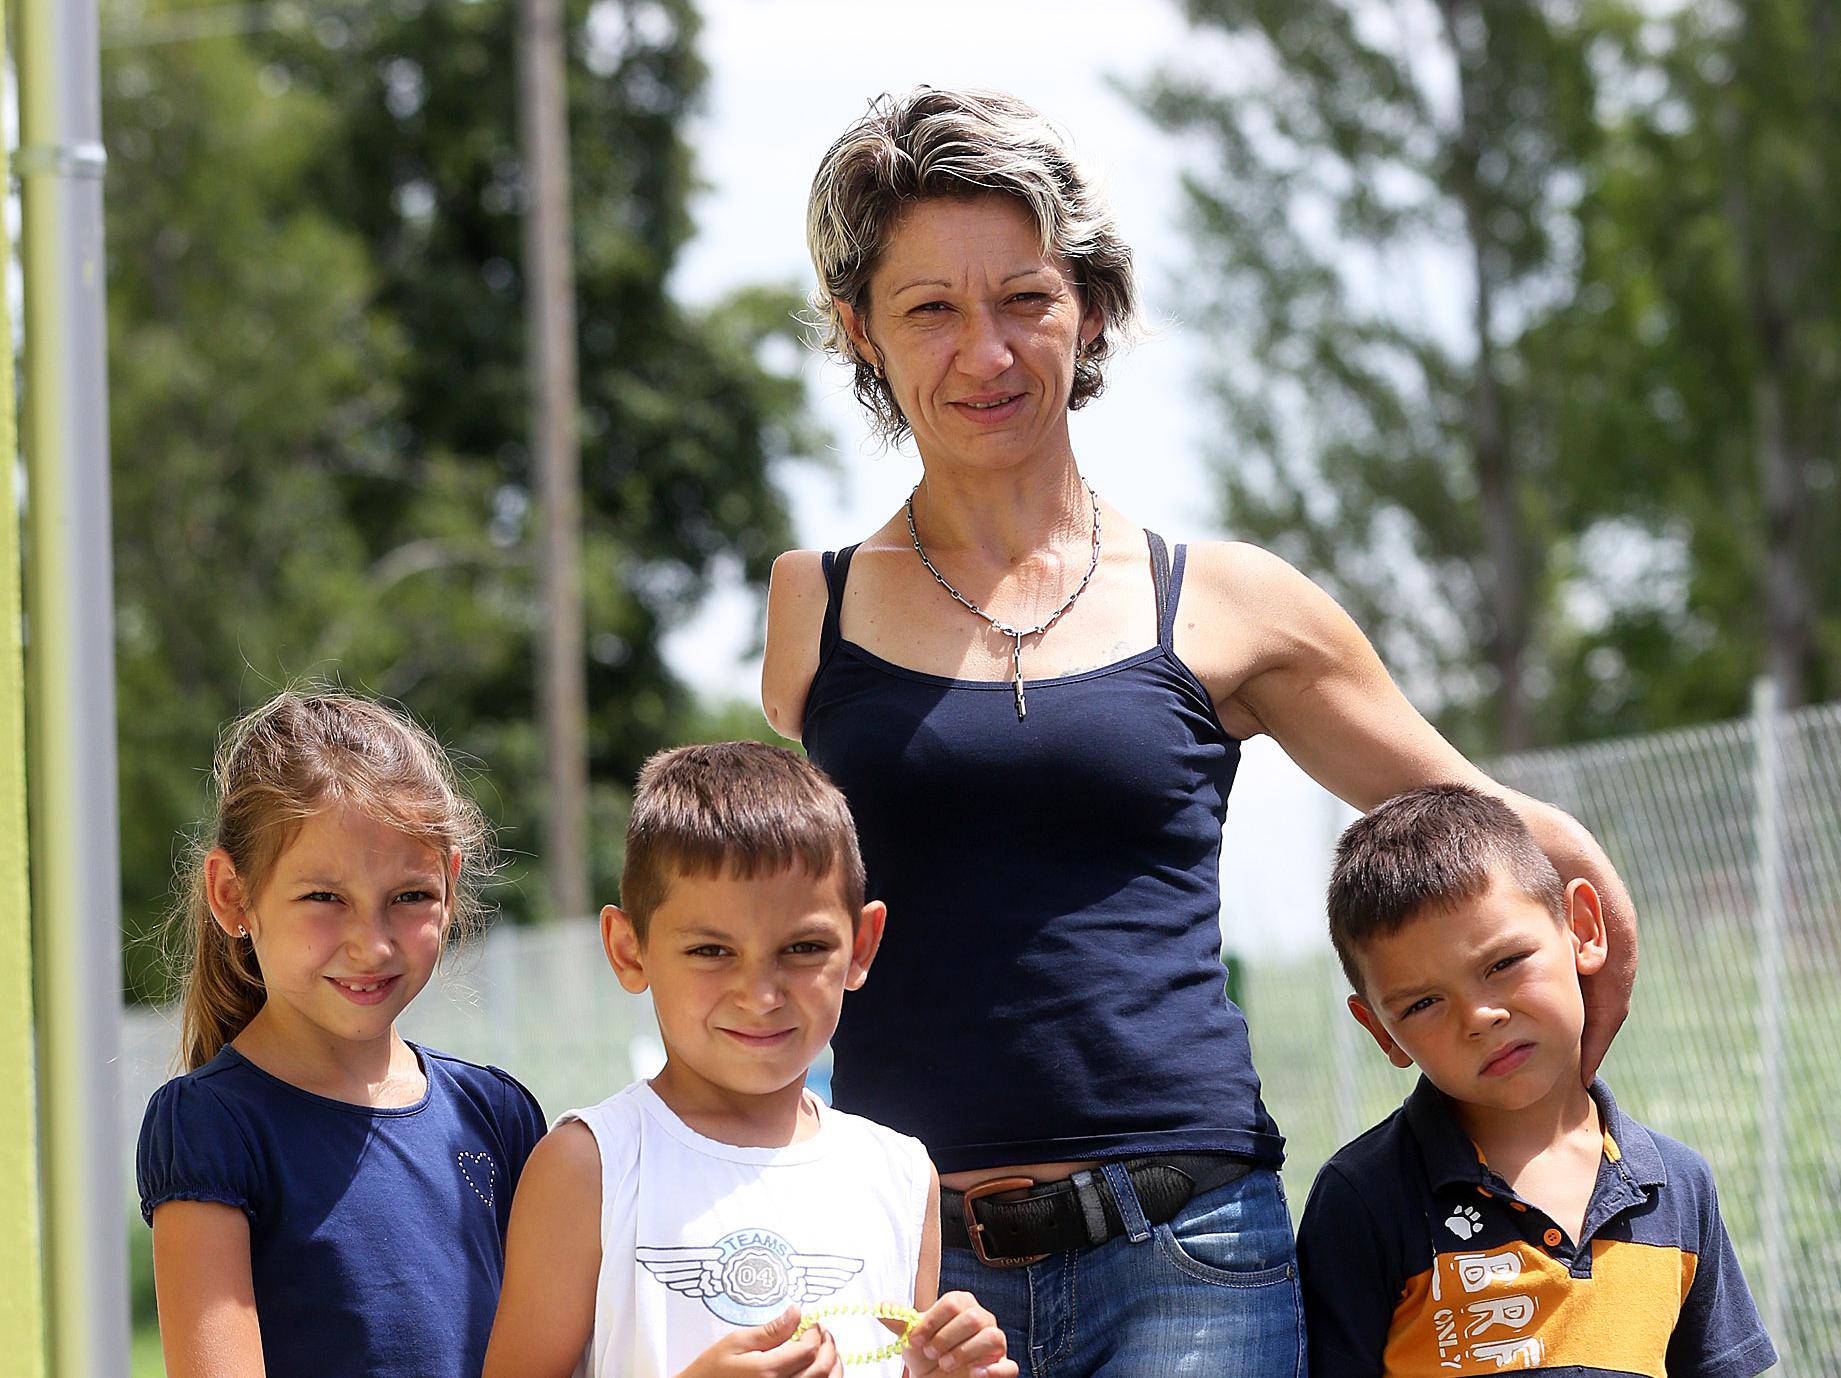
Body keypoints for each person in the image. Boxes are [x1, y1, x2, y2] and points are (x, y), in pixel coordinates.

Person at [761, 87, 1640, 1374]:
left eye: (1025, 298)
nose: (985, 351)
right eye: (929, 310)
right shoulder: (809, 606)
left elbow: (1486, 821)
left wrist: (1575, 983)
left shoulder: (1227, 602)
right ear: (860, 333)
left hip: (1190, 1256)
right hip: (903, 1266)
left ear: (1092, 305)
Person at [482, 741, 1015, 1378]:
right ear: (629, 951)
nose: (760, 996)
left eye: (804, 947)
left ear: (862, 945)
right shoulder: (590, 1164)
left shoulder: (900, 1176)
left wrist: (942, 1371)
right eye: (711, 951)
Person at [136, 688, 547, 1378]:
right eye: (324, 898)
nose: (372, 945)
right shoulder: (210, 1127)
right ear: (233, 897)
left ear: (448, 885)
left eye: (408, 896)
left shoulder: (498, 1116)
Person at [1299, 785, 1775, 1377]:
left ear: (1582, 929)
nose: (1479, 1017)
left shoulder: (1678, 1188)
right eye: (1423, 1003)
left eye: (1502, 964)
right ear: (1381, 1030)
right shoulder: (1364, 1197)